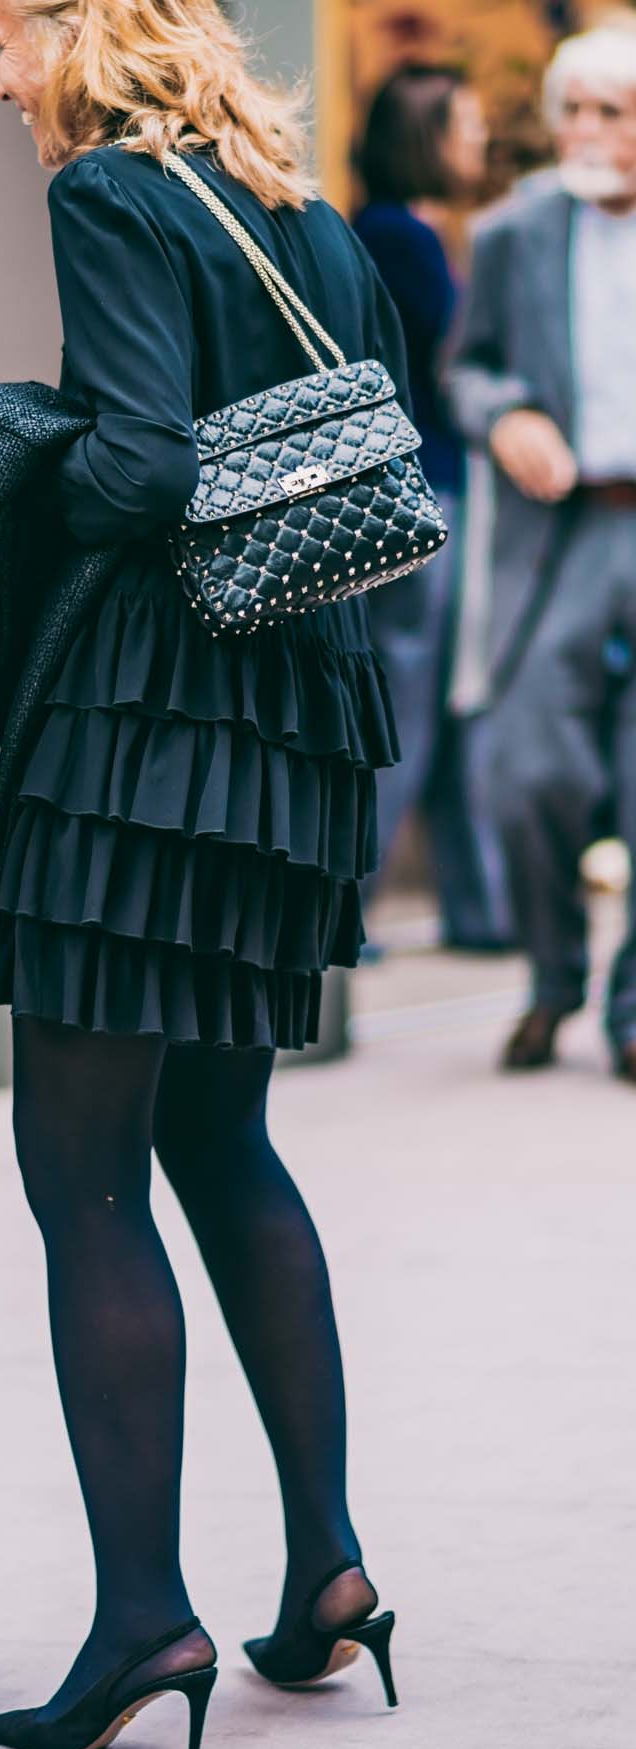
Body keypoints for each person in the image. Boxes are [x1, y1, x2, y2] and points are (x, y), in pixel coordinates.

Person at [0, 0, 408, 1749]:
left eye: (6, 33)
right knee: (222, 1143)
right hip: (296, 726)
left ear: (85, 29)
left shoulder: (111, 197)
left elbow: (141, 462)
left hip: (150, 729)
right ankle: (328, 1575)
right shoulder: (304, 208)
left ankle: (141, 1619)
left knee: (81, 1182)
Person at [446, 23, 636, 1086]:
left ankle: (631, 1012)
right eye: (573, 108)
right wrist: (506, 413)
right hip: (557, 533)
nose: (584, 131)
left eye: (610, 111)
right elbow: (464, 369)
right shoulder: (514, 233)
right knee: (523, 773)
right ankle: (551, 978)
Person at [352, 66, 515, 952]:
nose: (479, 143)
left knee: (442, 697)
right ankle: (356, 907)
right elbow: (460, 359)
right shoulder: (397, 237)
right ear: (427, 137)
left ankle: (480, 908)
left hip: (435, 489)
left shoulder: (405, 231)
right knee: (411, 698)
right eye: (466, 126)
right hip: (420, 496)